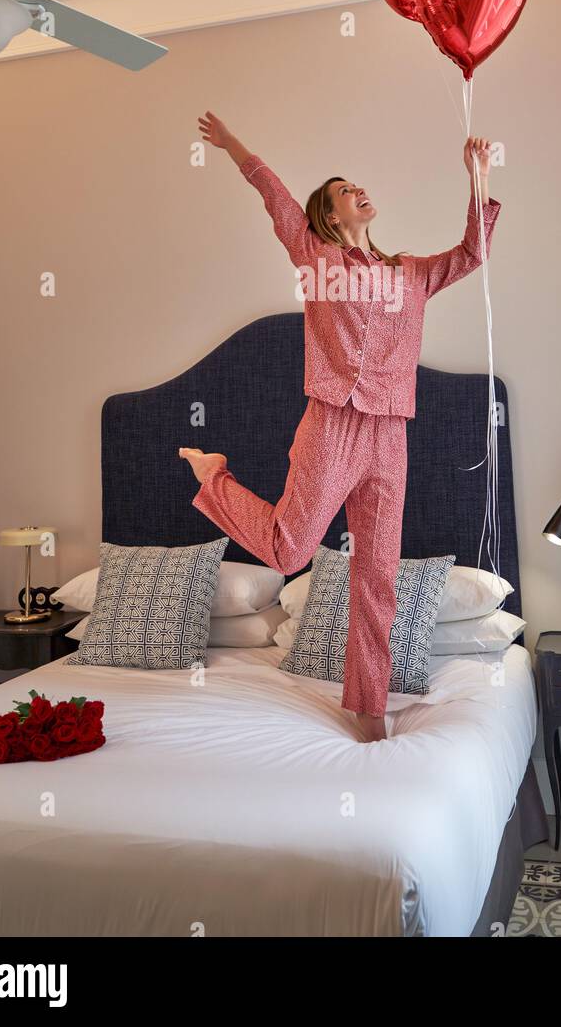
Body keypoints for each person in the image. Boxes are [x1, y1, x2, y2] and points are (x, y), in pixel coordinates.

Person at [180, 111, 500, 742]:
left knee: (378, 573)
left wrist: (477, 177)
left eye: (359, 185)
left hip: (390, 436)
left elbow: (472, 254)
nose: (360, 191)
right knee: (289, 550)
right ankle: (213, 478)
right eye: (344, 191)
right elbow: (273, 195)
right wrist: (234, 144)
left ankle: (370, 706)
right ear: (329, 217)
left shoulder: (409, 274)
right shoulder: (317, 259)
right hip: (331, 425)